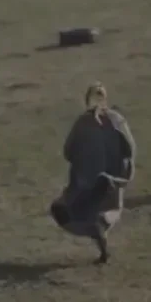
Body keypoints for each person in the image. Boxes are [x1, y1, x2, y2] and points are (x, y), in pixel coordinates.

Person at [49, 83, 136, 265]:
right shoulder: (117, 120)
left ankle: (96, 233)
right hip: (113, 182)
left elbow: (68, 152)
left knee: (70, 210)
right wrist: (123, 174)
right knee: (106, 212)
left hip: (86, 182)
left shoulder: (82, 123)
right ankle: (101, 235)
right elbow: (130, 150)